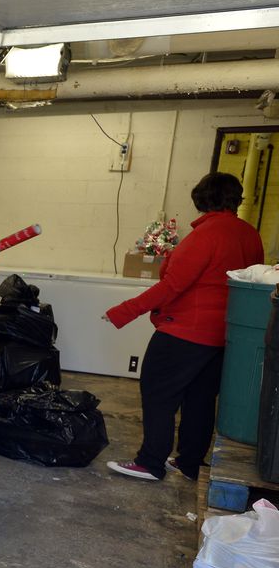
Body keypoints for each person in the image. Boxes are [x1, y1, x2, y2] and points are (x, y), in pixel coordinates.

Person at [104, 172, 264, 482]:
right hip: (224, 334)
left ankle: (150, 462)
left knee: (158, 394)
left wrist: (125, 310)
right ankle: (188, 463)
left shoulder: (205, 235)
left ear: (201, 198)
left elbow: (173, 285)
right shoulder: (250, 235)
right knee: (201, 400)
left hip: (185, 331)